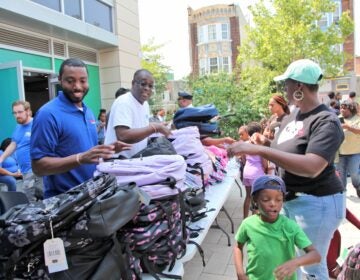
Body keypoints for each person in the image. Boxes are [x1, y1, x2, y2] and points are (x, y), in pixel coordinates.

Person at [228, 59, 345, 279]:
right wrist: (265, 144)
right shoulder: (293, 115)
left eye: (287, 84)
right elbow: (290, 152)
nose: (285, 90)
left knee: (311, 267)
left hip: (316, 202)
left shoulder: (325, 121)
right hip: (292, 199)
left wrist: (263, 152)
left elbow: (312, 166)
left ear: (299, 86)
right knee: (294, 262)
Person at [30, 58, 131, 198]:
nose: (77, 86)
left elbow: (85, 152)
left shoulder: (87, 111)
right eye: (70, 81)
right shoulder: (47, 114)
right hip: (64, 203)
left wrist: (105, 150)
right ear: (60, 80)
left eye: (83, 81)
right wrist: (80, 158)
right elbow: (38, 167)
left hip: (90, 196)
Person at [233, 175, 321, 280]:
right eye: (266, 199)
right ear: (255, 200)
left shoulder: (290, 226)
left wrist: (295, 262)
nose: (273, 204)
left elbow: (315, 255)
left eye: (279, 199)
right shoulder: (248, 224)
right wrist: (240, 273)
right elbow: (238, 247)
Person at [105, 69, 171, 158]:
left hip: (134, 160)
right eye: (143, 84)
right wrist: (155, 128)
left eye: (150, 86)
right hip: (117, 162)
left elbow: (139, 126)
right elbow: (123, 135)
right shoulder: (124, 102)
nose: (147, 88)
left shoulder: (145, 104)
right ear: (133, 83)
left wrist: (158, 125)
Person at [0, 100, 43, 201]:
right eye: (14, 113)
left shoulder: (37, 124)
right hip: (25, 171)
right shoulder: (18, 127)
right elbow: (13, 144)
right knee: (38, 196)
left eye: (19, 112)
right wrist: (1, 158)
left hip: (35, 169)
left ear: (27, 111)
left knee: (29, 196)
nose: (17, 115)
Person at [239, 122, 268, 219]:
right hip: (257, 174)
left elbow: (243, 160)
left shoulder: (245, 144)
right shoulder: (260, 146)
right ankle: (254, 222)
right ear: (259, 132)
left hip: (247, 172)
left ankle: (245, 219)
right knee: (257, 199)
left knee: (248, 196)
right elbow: (264, 163)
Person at [337, 100, 360, 197]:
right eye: (341, 107)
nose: (341, 110)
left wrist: (348, 127)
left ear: (350, 109)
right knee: (341, 175)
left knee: (354, 174)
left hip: (355, 152)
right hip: (340, 153)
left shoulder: (357, 119)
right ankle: (342, 194)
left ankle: (358, 186)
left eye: (344, 108)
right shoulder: (338, 118)